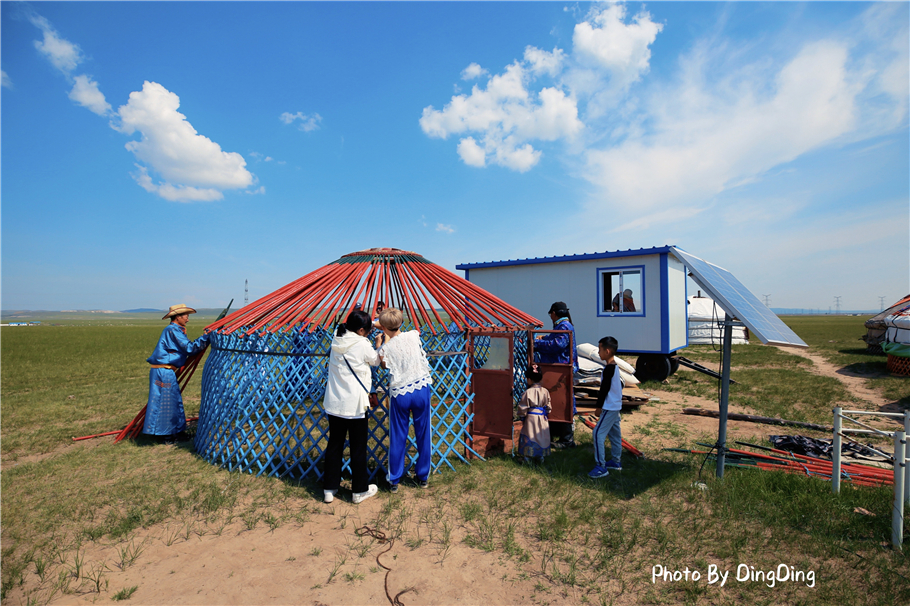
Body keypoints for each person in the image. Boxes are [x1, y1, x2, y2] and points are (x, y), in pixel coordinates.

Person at [323, 310, 382, 504]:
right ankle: (359, 491)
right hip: (355, 405)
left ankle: (329, 489)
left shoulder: (337, 338)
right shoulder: (362, 344)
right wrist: (379, 345)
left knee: (334, 445)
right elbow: (376, 360)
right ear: (361, 330)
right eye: (367, 330)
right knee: (358, 448)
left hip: (335, 403)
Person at [377, 307, 433, 491]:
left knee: (398, 435)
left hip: (400, 392)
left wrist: (380, 344)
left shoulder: (386, 348)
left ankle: (394, 479)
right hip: (420, 388)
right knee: (423, 432)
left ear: (383, 327)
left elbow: (384, 364)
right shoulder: (413, 335)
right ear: (401, 322)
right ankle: (423, 476)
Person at [144, 304, 210, 443]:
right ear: (178, 316)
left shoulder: (176, 329)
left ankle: (177, 433)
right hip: (163, 371)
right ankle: (165, 436)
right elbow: (190, 348)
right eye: (186, 316)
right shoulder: (173, 330)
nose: (187, 319)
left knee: (174, 401)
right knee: (165, 403)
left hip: (166, 370)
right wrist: (205, 338)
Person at [534, 301, 579, 449]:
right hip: (557, 369)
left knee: (562, 401)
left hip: (561, 370)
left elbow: (557, 344)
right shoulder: (561, 326)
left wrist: (536, 344)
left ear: (554, 313)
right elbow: (554, 339)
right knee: (554, 401)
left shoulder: (565, 327)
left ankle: (567, 439)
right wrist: (544, 338)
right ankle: (554, 434)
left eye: (550, 314)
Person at [589, 336, 623, 478]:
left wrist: (598, 407)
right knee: (615, 435)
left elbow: (604, 389)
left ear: (607, 351)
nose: (598, 353)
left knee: (597, 434)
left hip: (609, 407)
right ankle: (616, 462)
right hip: (616, 406)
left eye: (600, 349)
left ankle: (601, 467)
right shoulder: (614, 367)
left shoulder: (609, 369)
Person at [517, 364, 551, 464]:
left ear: (529, 379)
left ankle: (528, 457)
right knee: (541, 435)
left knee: (530, 435)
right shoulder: (545, 391)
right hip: (542, 417)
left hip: (531, 418)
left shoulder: (527, 392)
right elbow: (548, 406)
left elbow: (523, 407)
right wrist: (546, 412)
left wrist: (522, 416)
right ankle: (540, 456)